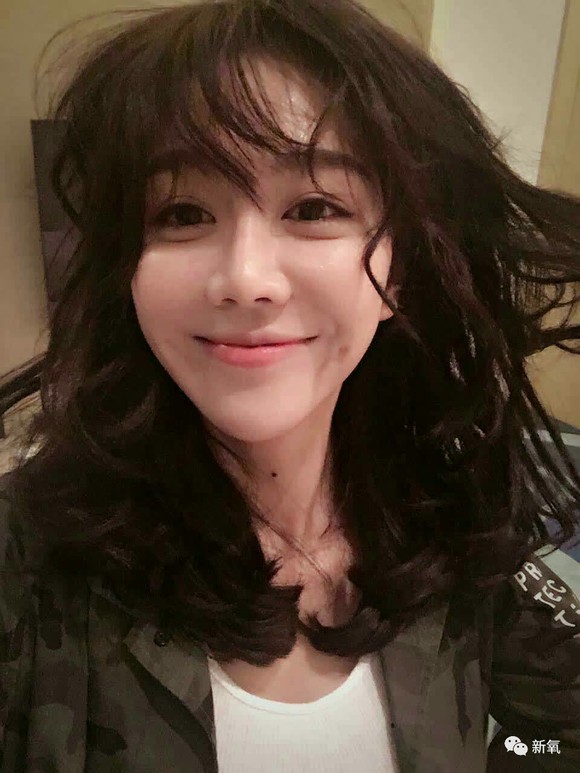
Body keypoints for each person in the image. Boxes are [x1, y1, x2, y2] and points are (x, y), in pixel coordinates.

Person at [1, 0, 579, 770]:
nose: (246, 279)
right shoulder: (25, 560)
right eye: (182, 212)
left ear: (399, 271)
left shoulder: (450, 519)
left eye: (314, 207)